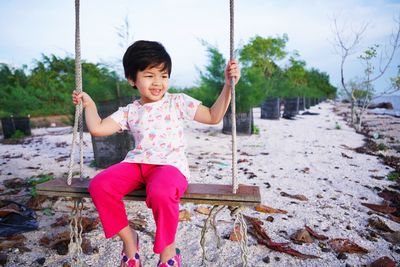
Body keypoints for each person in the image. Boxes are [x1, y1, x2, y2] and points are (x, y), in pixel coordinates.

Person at [72, 40, 240, 267]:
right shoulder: (131, 110)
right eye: (149, 75)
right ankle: (130, 241)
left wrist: (228, 86)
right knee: (100, 185)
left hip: (169, 166)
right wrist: (89, 105)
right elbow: (98, 128)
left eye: (164, 75)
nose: (158, 82)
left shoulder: (177, 101)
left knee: (161, 192)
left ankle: (169, 253)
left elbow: (213, 116)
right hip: (137, 164)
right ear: (132, 79)